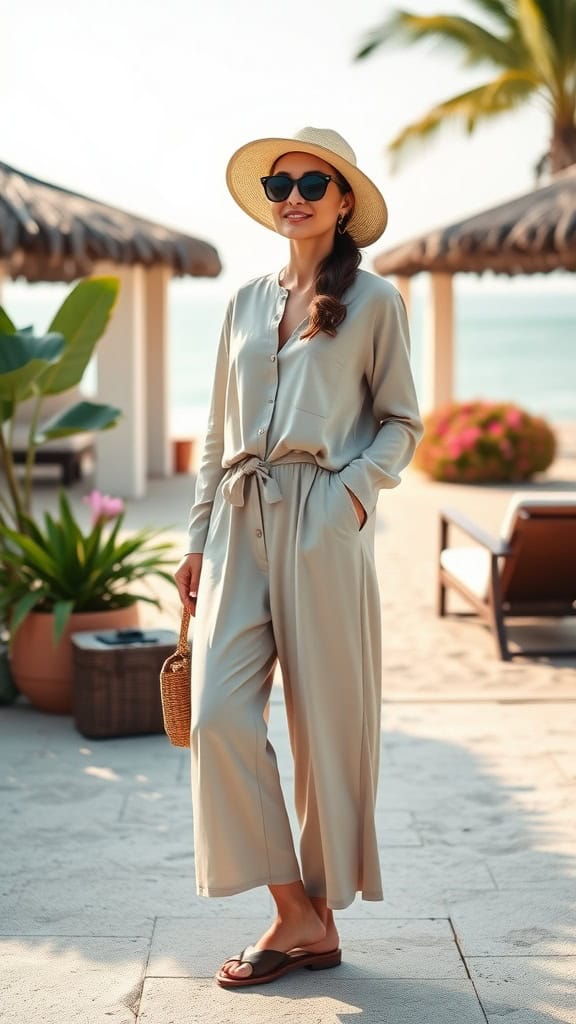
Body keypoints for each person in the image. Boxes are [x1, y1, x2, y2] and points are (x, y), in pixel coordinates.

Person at [174, 126, 424, 989]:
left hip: (322, 519)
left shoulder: (378, 302)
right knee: (215, 717)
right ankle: (294, 907)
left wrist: (353, 494)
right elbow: (216, 433)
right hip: (241, 520)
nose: (293, 195)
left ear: (343, 199)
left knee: (325, 733)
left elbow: (402, 422)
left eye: (313, 182)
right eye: (281, 182)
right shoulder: (244, 301)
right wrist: (199, 536)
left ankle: (314, 921)